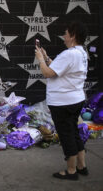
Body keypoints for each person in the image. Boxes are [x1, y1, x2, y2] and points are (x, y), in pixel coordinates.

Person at [35, 21, 89, 180]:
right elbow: (59, 69)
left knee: (67, 136)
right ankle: (81, 166)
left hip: (64, 103)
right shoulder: (80, 52)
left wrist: (40, 59)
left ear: (72, 36)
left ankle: (71, 171)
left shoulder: (69, 54)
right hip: (75, 100)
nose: (64, 37)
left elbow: (48, 73)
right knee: (74, 133)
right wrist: (46, 57)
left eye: (66, 33)